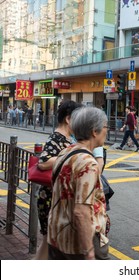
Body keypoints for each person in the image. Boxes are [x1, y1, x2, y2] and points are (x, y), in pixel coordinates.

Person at [47, 106, 110, 260]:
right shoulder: (88, 163)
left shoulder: (66, 152)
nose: (107, 130)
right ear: (94, 132)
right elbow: (81, 212)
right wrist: (88, 251)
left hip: (57, 234)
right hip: (78, 241)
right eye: (105, 126)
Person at [34, 100, 83, 259]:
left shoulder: (68, 138)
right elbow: (43, 163)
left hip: (57, 198)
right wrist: (68, 156)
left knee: (49, 243)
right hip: (50, 199)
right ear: (68, 119)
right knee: (52, 243)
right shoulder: (57, 137)